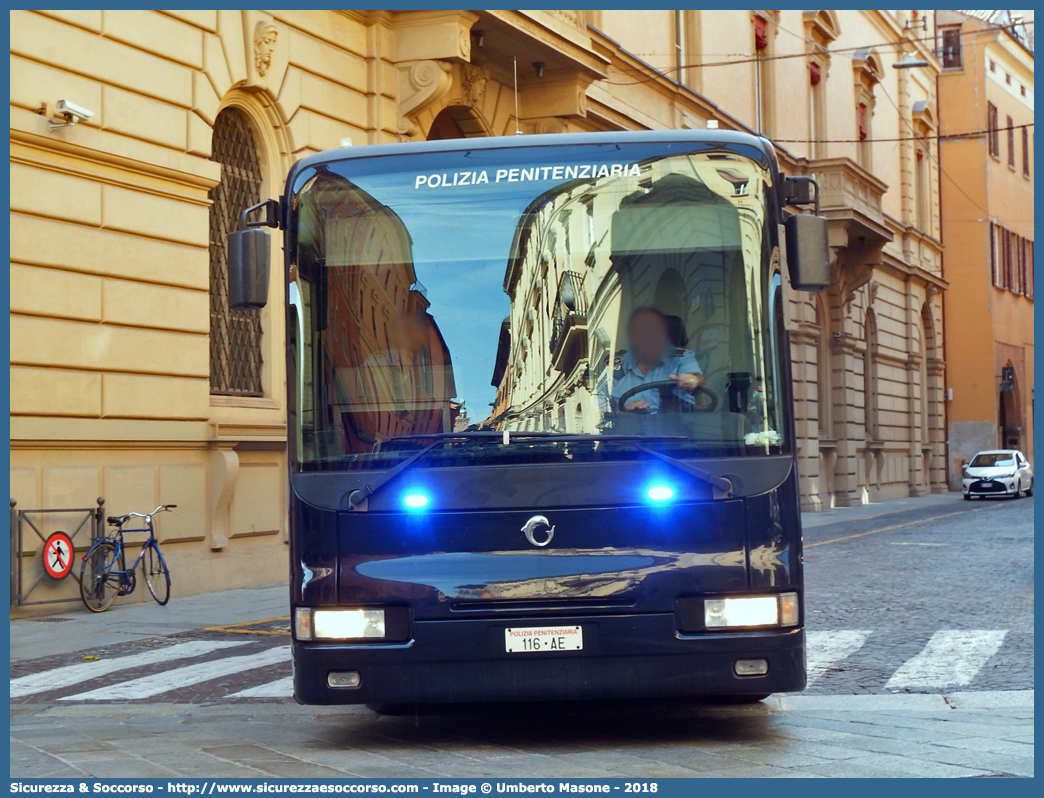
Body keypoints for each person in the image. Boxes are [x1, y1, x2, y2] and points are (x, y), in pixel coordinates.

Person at [609, 307, 704, 413]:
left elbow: (698, 379)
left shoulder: (681, 357)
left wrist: (693, 380)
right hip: (628, 427)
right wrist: (623, 411)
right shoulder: (617, 365)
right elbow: (599, 409)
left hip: (676, 425)